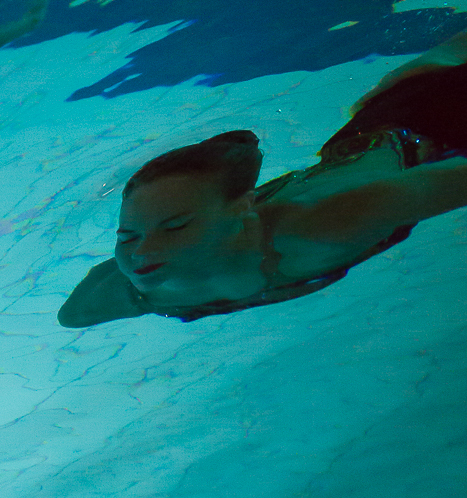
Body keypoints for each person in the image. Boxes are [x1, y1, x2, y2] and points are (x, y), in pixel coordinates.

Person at [58, 30, 467, 327]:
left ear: (242, 209)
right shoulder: (142, 284)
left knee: (430, 74)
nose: (142, 252)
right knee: (421, 71)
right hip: (364, 139)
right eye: (127, 237)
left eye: (176, 226)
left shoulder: (319, 229)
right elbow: (71, 316)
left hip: (435, 125)